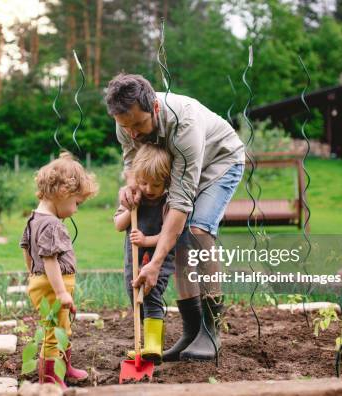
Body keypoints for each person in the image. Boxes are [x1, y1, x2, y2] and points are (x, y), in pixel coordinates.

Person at [105, 73, 245, 361]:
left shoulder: (185, 126)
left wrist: (155, 263)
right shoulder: (127, 123)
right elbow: (132, 160)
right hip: (176, 171)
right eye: (125, 126)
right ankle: (191, 331)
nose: (132, 133)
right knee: (179, 240)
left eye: (138, 125)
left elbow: (180, 203)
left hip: (219, 162)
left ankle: (211, 329)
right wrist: (130, 186)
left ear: (154, 108)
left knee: (196, 231)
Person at [20, 152, 98, 388]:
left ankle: (65, 367)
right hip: (54, 287)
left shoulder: (34, 219)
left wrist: (32, 273)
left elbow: (26, 249)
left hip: (42, 283)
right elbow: (50, 260)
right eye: (76, 203)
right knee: (53, 333)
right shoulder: (52, 224)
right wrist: (62, 291)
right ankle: (50, 379)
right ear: (63, 193)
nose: (75, 210)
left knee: (61, 327)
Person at [113, 144, 175, 364]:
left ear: (166, 181)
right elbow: (118, 225)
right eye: (144, 182)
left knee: (151, 294)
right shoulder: (132, 198)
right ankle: (145, 343)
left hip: (158, 259)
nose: (149, 189)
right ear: (136, 178)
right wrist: (131, 209)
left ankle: (153, 347)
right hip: (134, 260)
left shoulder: (168, 203)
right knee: (135, 297)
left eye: (156, 184)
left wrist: (147, 240)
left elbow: (171, 233)